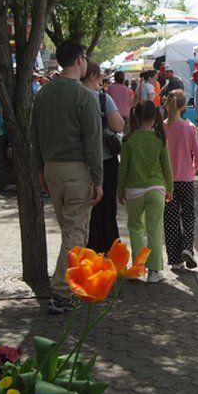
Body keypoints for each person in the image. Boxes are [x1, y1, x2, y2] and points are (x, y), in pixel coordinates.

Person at [30, 40, 103, 315]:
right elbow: (93, 143)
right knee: (75, 233)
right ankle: (61, 292)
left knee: (68, 231)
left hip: (51, 169)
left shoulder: (44, 93)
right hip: (76, 172)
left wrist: (40, 169)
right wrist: (98, 180)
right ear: (80, 60)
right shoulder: (85, 97)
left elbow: (33, 136)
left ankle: (69, 284)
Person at [117, 100, 174, 283]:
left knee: (135, 228)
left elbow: (123, 168)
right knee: (155, 229)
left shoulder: (128, 139)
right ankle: (155, 271)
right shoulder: (159, 138)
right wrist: (170, 189)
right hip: (156, 189)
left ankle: (137, 268)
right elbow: (167, 167)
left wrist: (119, 191)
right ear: (153, 118)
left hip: (133, 190)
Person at [82, 61, 124, 253]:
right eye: (99, 75)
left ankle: (88, 248)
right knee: (106, 208)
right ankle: (108, 248)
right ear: (93, 76)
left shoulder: (74, 96)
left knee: (84, 210)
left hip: (79, 162)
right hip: (104, 158)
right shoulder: (102, 98)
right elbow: (118, 126)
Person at [163, 89, 198, 271]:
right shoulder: (190, 127)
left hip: (167, 180)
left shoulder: (162, 127)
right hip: (186, 178)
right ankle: (187, 246)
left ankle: (174, 258)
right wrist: (192, 170)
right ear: (184, 106)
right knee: (188, 214)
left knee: (170, 218)